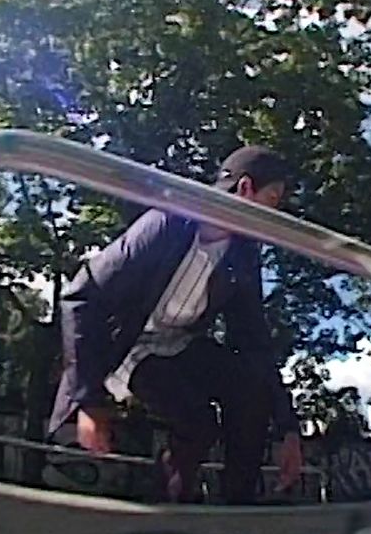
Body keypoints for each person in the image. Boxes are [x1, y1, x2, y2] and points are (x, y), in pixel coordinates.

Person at [47, 146, 304, 504]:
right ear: (244, 189)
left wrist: (288, 429)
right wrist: (88, 400)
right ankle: (173, 479)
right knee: (197, 422)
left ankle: (238, 502)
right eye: (272, 199)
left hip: (180, 344)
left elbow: (254, 344)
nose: (275, 215)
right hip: (130, 345)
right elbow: (82, 295)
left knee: (249, 383)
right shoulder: (167, 223)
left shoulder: (242, 255)